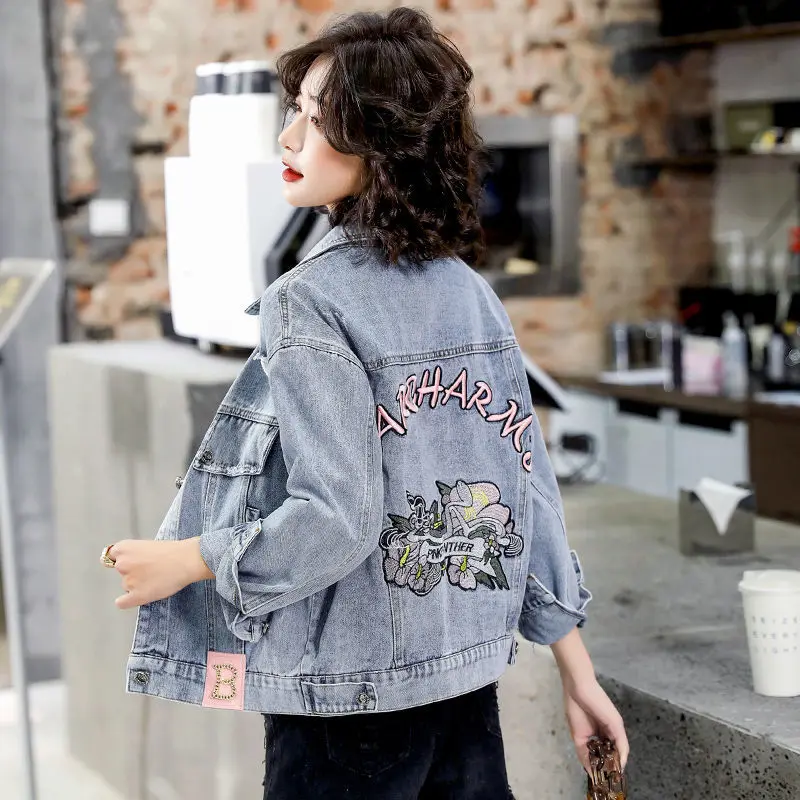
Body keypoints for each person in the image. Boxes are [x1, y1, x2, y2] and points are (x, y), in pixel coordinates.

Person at [101, 7, 628, 799]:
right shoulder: (470, 293)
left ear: (380, 144)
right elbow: (528, 492)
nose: (287, 139)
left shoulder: (310, 301)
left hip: (344, 709)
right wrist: (576, 671)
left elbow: (337, 517)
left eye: (317, 121)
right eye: (294, 112)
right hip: (461, 691)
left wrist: (191, 559)